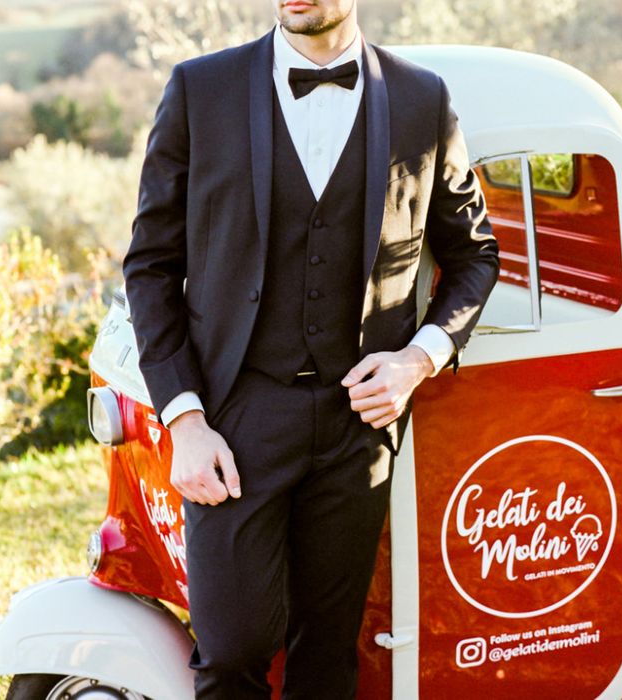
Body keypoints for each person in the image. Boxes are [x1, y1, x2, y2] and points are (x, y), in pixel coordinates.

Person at [122, 0, 499, 697]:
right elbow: (149, 266)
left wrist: (417, 359)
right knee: (233, 646)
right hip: (235, 414)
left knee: (328, 649)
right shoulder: (200, 90)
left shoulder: (422, 98)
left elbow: (473, 254)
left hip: (359, 424)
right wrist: (185, 419)